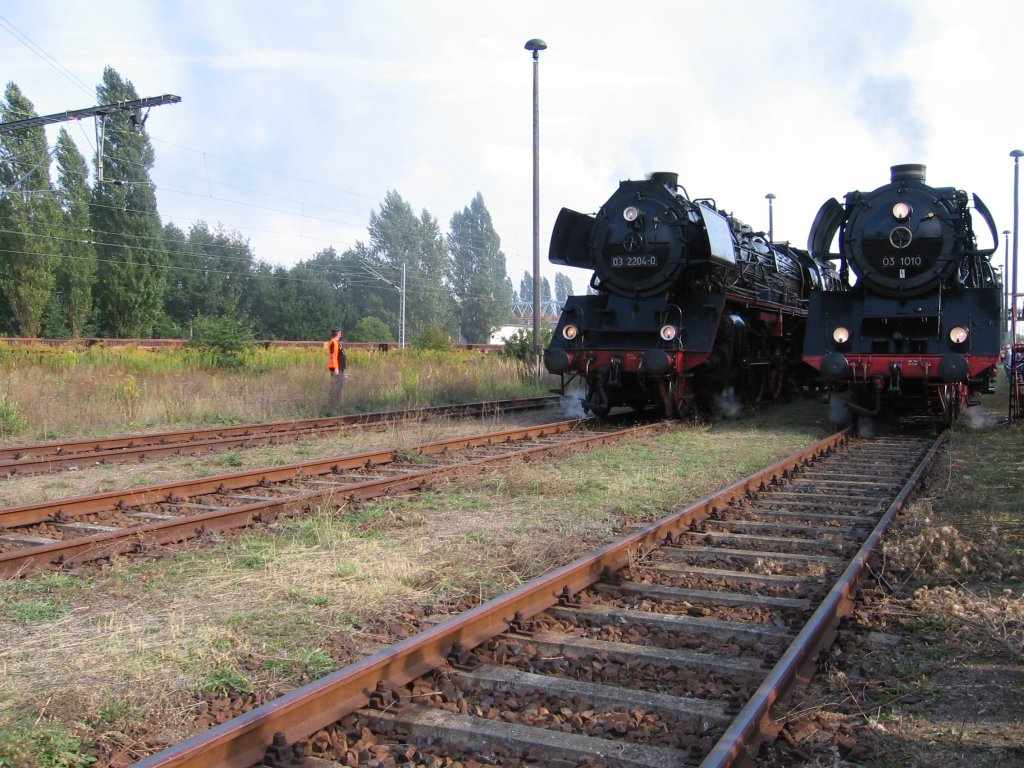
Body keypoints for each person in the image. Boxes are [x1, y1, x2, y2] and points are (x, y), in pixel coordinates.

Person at [326, 327, 346, 413]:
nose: (341, 334)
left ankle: (336, 405)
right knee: (336, 386)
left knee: (338, 386)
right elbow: (334, 356)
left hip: (339, 368)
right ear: (337, 333)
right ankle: (334, 406)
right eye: (340, 332)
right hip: (336, 368)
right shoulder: (334, 343)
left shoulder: (337, 343)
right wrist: (336, 368)